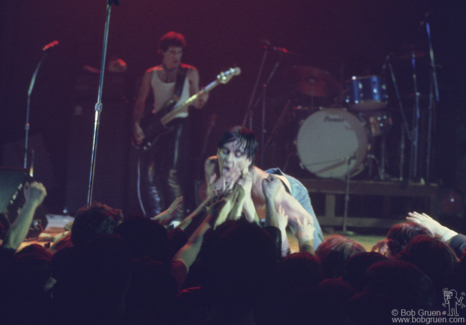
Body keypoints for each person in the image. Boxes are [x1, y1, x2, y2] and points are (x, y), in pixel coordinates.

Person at [204, 126, 324, 249]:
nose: (229, 160)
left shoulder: (266, 190)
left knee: (318, 250)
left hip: (290, 190)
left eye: (238, 154)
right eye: (225, 152)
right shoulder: (211, 166)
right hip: (256, 204)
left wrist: (304, 239)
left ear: (248, 160)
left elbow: (306, 219)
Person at [133, 31, 208, 219]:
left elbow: (198, 105)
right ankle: (157, 217)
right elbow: (140, 102)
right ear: (162, 52)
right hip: (156, 125)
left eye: (179, 52)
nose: (176, 57)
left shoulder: (189, 72)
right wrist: (136, 125)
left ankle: (177, 220)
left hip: (179, 124)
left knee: (170, 174)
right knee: (151, 176)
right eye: (172, 52)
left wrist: (203, 97)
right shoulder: (151, 74)